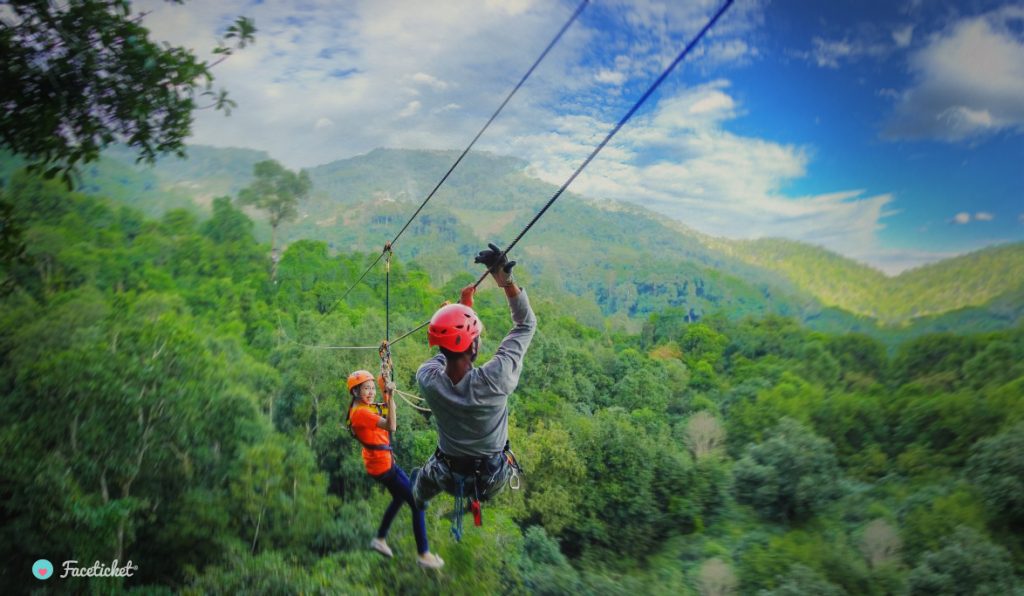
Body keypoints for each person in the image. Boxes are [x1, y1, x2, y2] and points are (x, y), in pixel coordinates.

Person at [412, 243, 536, 524]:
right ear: (476, 347)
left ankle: (418, 501)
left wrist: (459, 312)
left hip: (447, 474)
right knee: (479, 486)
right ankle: (473, 500)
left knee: (422, 483)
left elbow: (444, 357)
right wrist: (506, 282)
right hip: (492, 478)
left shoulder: (427, 379)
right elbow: (525, 324)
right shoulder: (496, 378)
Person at [346, 369, 444, 569]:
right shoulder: (362, 413)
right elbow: (391, 425)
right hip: (383, 467)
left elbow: (386, 409)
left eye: (372, 388)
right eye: (366, 389)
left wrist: (385, 380)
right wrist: (389, 397)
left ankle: (380, 538)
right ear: (355, 392)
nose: (371, 392)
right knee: (417, 503)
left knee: (400, 498)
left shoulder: (365, 407)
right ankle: (423, 553)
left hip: (381, 463)